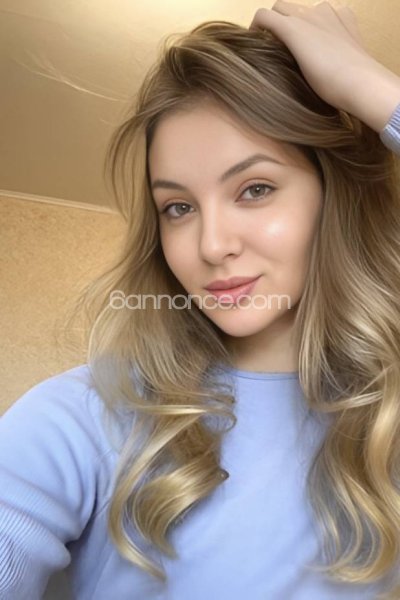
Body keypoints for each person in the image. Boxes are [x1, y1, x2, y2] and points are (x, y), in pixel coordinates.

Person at [1, 1, 400, 598]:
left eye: (255, 189)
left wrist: (375, 91)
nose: (211, 246)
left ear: (333, 197)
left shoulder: (386, 413)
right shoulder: (85, 415)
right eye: (179, 207)